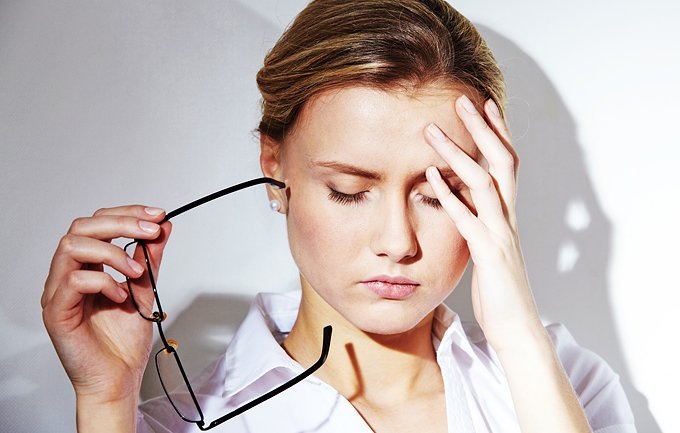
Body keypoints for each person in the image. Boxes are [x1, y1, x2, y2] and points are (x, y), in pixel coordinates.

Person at [41, 0, 637, 432]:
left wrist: (518, 334)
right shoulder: (170, 424)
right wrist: (104, 402)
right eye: (349, 191)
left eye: (441, 194)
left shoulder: (564, 386)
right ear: (274, 168)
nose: (398, 243)